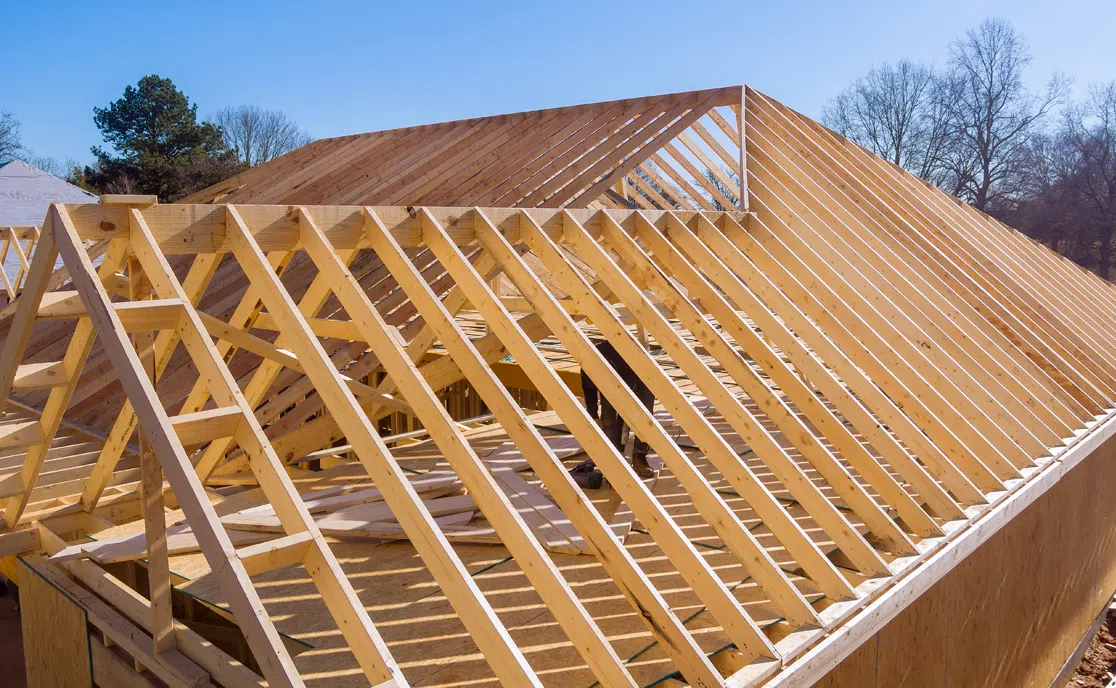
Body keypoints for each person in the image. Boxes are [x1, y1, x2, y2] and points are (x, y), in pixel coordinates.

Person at [574, 339, 656, 483]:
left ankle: (639, 457)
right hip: (612, 382)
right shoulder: (588, 363)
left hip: (641, 381)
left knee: (644, 419)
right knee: (609, 419)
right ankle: (615, 458)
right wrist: (593, 415)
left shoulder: (623, 353)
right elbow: (589, 392)